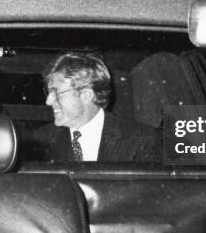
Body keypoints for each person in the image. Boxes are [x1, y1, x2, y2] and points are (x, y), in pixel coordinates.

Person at [32, 52, 160, 162]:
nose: (48, 101)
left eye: (56, 93)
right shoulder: (40, 142)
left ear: (86, 96)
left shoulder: (143, 140)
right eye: (49, 92)